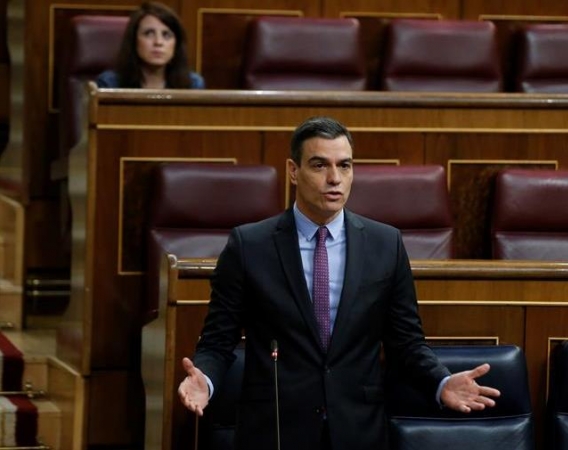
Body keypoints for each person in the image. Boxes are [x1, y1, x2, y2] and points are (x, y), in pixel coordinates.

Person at [177, 116, 500, 450]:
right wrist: (207, 379)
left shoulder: (385, 244)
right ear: (293, 170)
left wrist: (441, 380)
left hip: (358, 429)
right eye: (319, 165)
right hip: (274, 430)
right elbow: (218, 340)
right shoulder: (249, 245)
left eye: (344, 166)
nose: (334, 179)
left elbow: (406, 343)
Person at [96, 1, 204, 89]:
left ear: (176, 44)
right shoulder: (110, 84)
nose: (158, 42)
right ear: (134, 40)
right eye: (149, 34)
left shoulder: (192, 84)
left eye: (166, 35)